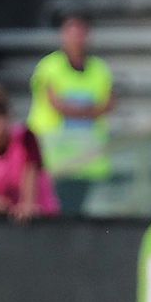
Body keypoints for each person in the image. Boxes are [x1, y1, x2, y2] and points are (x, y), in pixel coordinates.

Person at [26, 14, 114, 215]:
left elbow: (109, 102)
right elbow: (56, 104)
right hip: (51, 157)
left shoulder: (100, 69)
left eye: (80, 33)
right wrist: (91, 111)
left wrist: (81, 111)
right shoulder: (49, 67)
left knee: (78, 212)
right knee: (53, 209)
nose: (76, 39)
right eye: (71, 33)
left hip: (85, 158)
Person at [0, 82, 60, 222]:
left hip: (40, 217)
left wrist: (27, 203)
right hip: (7, 218)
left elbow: (30, 172)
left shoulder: (25, 138)